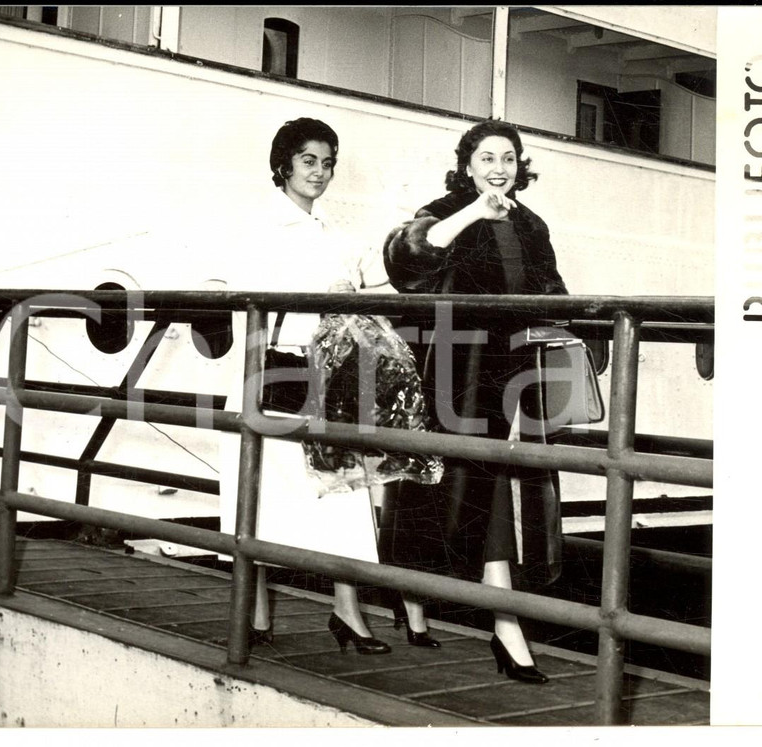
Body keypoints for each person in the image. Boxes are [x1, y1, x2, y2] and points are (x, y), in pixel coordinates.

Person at [381, 119, 568, 683]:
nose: (498, 169)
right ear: (467, 166)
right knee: (433, 478)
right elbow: (406, 259)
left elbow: (555, 290)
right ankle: (454, 610)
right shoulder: (443, 210)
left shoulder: (532, 224)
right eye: (487, 158)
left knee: (487, 483)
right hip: (449, 367)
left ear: (520, 165)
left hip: (510, 373)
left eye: (508, 158)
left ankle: (469, 612)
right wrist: (473, 213)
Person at [219, 118, 392, 655]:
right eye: (310, 160)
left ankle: (347, 611)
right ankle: (257, 607)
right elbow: (236, 296)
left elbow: (383, 282)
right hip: (271, 375)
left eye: (328, 162)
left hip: (327, 378)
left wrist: (352, 294)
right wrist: (323, 295)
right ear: (284, 164)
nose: (320, 172)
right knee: (261, 492)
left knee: (344, 492)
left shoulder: (335, 235)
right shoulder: (255, 228)